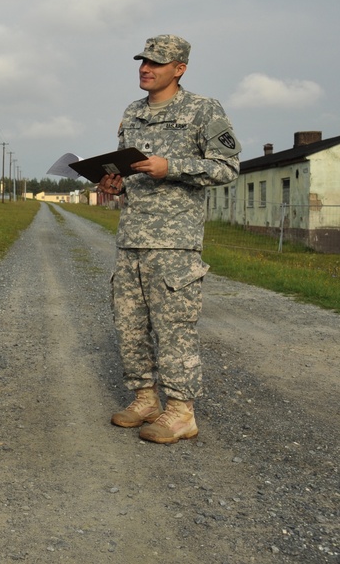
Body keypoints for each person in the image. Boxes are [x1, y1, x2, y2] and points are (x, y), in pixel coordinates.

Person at [100, 35, 240, 445]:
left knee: (175, 328)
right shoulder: (132, 112)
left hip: (176, 243)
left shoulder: (202, 110)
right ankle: (145, 398)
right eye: (143, 61)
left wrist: (171, 167)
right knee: (130, 325)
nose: (146, 68)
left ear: (179, 68)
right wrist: (114, 182)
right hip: (132, 239)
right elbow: (127, 172)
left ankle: (181, 412)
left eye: (157, 63)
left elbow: (228, 167)